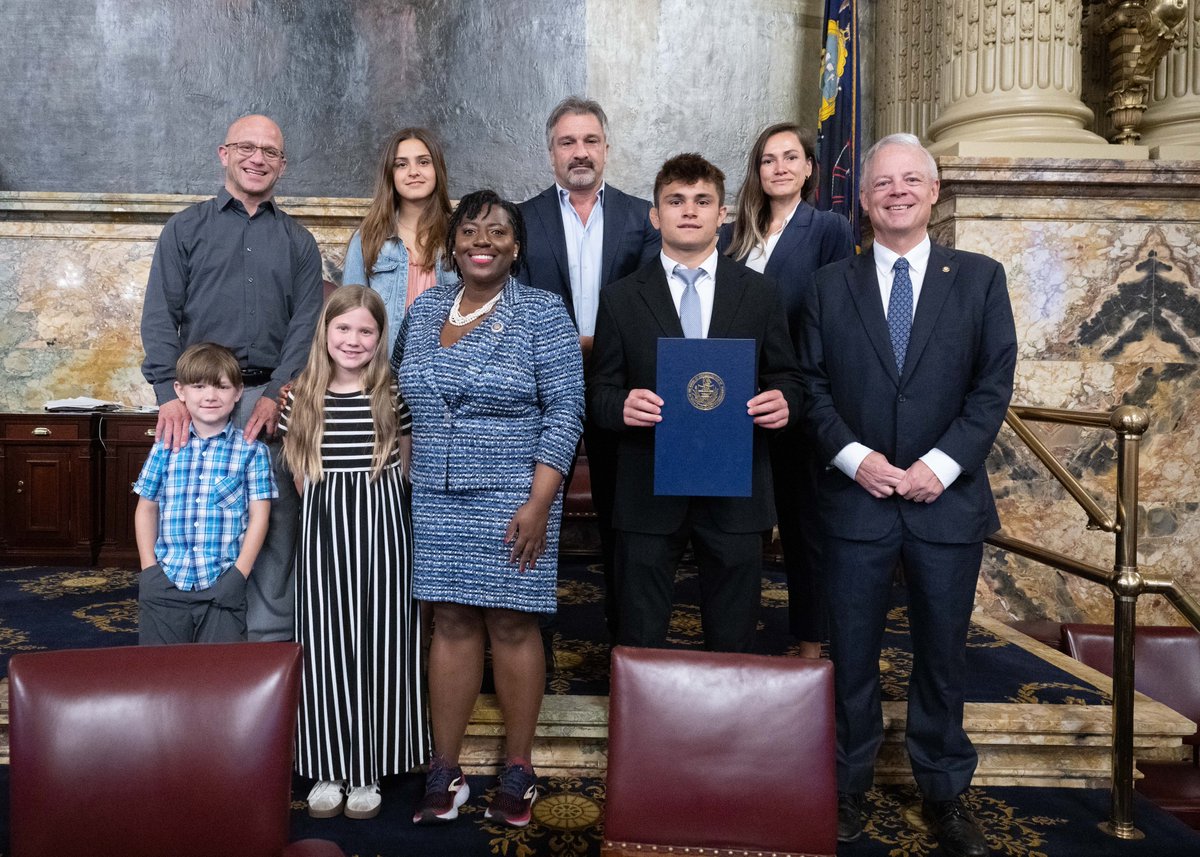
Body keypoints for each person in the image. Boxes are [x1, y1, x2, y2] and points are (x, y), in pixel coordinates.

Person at [798, 133, 1016, 857]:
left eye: (910, 180)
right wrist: (857, 459)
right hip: (856, 500)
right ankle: (847, 784)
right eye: (882, 182)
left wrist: (943, 465)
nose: (896, 191)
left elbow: (992, 387)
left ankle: (945, 792)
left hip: (944, 503)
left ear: (934, 190)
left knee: (942, 657)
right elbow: (812, 386)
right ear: (862, 200)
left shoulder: (980, 278)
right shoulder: (831, 284)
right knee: (852, 654)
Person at [393, 190, 584, 827]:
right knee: (448, 620)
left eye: (497, 231)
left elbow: (565, 409)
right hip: (437, 495)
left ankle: (519, 766)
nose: (483, 240)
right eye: (470, 230)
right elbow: (400, 393)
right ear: (452, 244)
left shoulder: (542, 312)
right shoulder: (422, 312)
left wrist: (540, 502)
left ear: (516, 247)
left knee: (511, 623)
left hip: (515, 496)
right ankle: (444, 768)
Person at [588, 153, 803, 653]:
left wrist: (784, 402)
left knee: (733, 638)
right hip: (648, 489)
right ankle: (641, 732)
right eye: (676, 200)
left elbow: (789, 378)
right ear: (654, 214)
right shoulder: (621, 297)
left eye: (703, 200)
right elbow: (597, 393)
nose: (689, 210)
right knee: (639, 635)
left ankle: (726, 732)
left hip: (735, 490)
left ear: (722, 214)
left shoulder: (760, 294)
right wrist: (620, 406)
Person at [140, 113, 323, 642]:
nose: (257, 158)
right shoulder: (185, 229)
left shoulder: (298, 242)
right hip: (201, 401)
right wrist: (167, 397)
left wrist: (276, 393)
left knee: (275, 524)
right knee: (196, 518)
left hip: (273, 399)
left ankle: (266, 645)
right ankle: (195, 638)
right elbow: (159, 316)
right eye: (247, 147)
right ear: (224, 154)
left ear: (282, 166)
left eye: (270, 152)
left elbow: (306, 326)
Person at [279, 285, 427, 821]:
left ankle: (368, 765)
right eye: (343, 328)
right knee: (323, 649)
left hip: (385, 537)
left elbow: (405, 471)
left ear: (381, 337)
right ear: (325, 332)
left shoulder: (393, 393)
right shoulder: (300, 396)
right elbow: (302, 479)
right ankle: (324, 764)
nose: (354, 339)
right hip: (323, 538)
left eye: (366, 330)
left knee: (382, 645)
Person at [519, 96, 661, 635]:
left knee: (624, 522)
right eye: (567, 142)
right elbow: (517, 303)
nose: (580, 152)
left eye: (590, 141)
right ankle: (532, 639)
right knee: (531, 518)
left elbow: (651, 305)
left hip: (619, 388)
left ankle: (624, 641)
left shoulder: (640, 216)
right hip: (539, 389)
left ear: (606, 148)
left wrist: (600, 345)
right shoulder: (522, 220)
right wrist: (570, 343)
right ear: (551, 152)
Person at [721, 122, 855, 659]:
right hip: (737, 401)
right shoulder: (737, 235)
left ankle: (809, 642)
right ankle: (736, 636)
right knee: (737, 528)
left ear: (807, 169)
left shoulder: (829, 229)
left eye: (790, 157)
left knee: (804, 528)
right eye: (768, 159)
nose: (778, 167)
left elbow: (838, 316)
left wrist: (811, 392)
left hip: (797, 399)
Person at [133, 343, 276, 645]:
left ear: (238, 392)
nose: (210, 396)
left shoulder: (252, 451)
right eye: (198, 386)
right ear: (180, 391)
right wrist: (149, 572)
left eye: (222, 387)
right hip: (166, 584)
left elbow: (259, 516)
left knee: (219, 679)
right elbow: (146, 508)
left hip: (222, 586)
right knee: (160, 677)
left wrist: (239, 575)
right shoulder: (164, 447)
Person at [342, 127, 457, 340]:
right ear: (390, 174)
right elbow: (351, 315)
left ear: (437, 169)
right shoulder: (367, 238)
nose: (413, 172)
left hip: (444, 366)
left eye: (423, 162)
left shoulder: (458, 236)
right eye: (401, 164)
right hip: (383, 367)